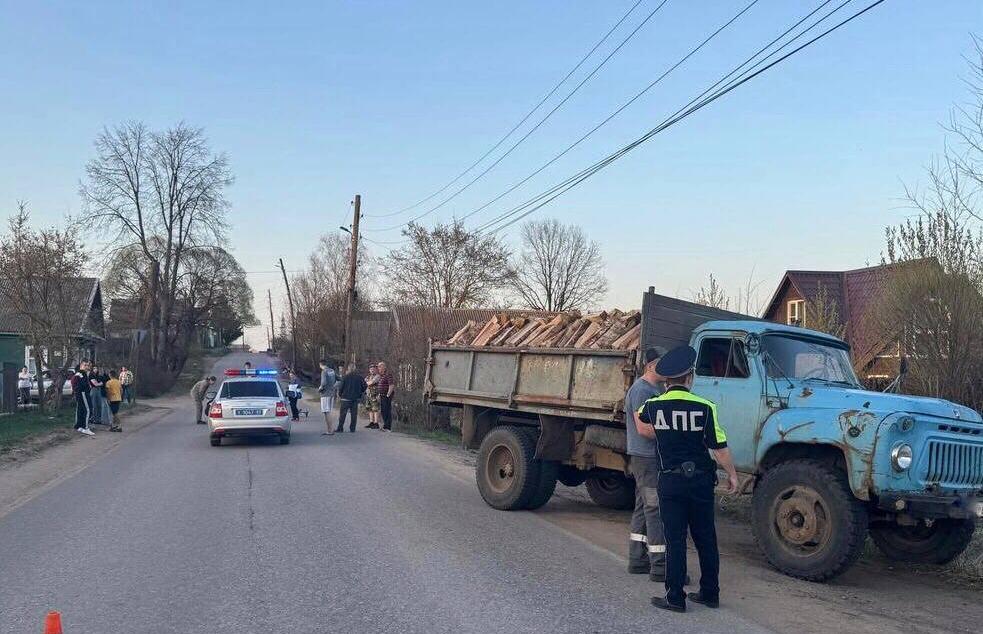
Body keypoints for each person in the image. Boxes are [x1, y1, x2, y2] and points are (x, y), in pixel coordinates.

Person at [636, 345, 739, 613]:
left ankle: (675, 597)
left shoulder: (653, 406)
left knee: (675, 539)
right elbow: (719, 447)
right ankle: (709, 593)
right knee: (706, 537)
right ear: (689, 377)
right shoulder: (706, 407)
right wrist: (732, 474)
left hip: (670, 481)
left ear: (667, 381)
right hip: (701, 481)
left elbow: (640, 418)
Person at [625, 347, 668, 581]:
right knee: (655, 508)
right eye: (663, 363)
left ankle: (637, 560)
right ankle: (660, 566)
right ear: (651, 366)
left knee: (643, 507)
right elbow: (643, 429)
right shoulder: (642, 391)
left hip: (647, 457)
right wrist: (672, 432)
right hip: (646, 458)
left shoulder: (654, 389)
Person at [336, 363, 367, 433]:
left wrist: (340, 395)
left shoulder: (345, 377)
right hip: (355, 398)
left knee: (342, 414)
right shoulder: (359, 377)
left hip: (345, 398)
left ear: (348, 369)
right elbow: (365, 386)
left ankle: (340, 428)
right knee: (354, 414)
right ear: (355, 369)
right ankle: (352, 428)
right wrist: (360, 393)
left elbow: (341, 387)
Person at [72, 361, 95, 436]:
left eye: (88, 365)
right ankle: (86, 427)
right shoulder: (81, 373)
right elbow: (83, 384)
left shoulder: (80, 373)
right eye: (85, 365)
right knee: (88, 409)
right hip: (83, 393)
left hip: (80, 393)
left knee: (81, 410)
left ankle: (80, 426)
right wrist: (88, 387)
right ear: (81, 366)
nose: (87, 367)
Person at [317, 360, 338, 436]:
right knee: (328, 411)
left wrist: (320, 388)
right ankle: (330, 429)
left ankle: (330, 430)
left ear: (320, 364)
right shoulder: (332, 371)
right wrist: (334, 387)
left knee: (326, 412)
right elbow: (339, 379)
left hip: (325, 394)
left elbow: (323, 383)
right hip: (332, 394)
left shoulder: (324, 371)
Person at [377, 361, 395, 432]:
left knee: (387, 411)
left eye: (380, 366)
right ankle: (385, 426)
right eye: (378, 367)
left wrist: (388, 395)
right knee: (383, 411)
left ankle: (388, 427)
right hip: (382, 395)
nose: (379, 368)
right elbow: (380, 386)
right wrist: (379, 394)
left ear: (384, 367)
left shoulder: (388, 375)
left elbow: (391, 385)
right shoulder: (382, 376)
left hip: (386, 396)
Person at [364, 364, 380, 429]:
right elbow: (364, 382)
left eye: (373, 369)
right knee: (369, 409)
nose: (372, 370)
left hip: (375, 395)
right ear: (369, 370)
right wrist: (367, 382)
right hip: (368, 394)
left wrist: (367, 382)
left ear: (376, 370)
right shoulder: (368, 376)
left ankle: (376, 423)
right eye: (371, 369)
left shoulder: (377, 376)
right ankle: (371, 422)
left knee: (375, 409)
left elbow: (372, 382)